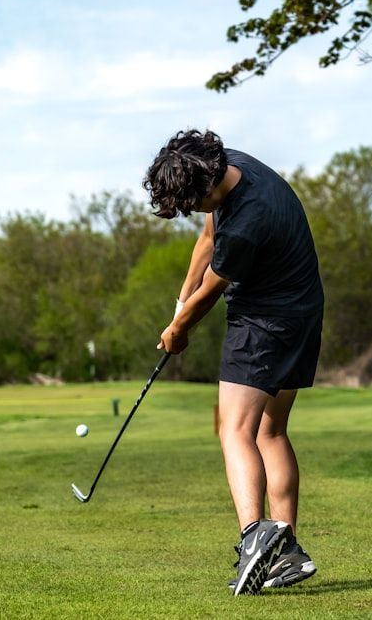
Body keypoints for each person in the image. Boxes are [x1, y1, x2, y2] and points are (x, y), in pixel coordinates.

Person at [145, 129, 324, 595]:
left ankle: (254, 535)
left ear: (206, 185)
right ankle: (286, 554)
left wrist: (178, 329)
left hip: (265, 323)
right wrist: (181, 297)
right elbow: (209, 235)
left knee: (233, 428)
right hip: (304, 314)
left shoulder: (248, 220)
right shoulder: (229, 165)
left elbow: (215, 288)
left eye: (191, 203)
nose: (193, 212)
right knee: (270, 431)